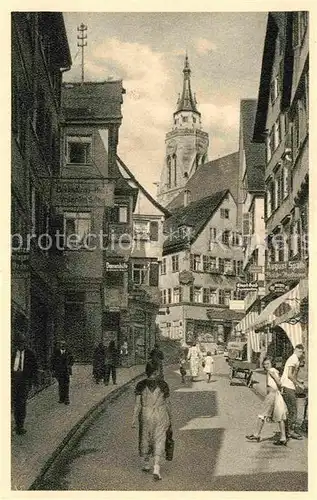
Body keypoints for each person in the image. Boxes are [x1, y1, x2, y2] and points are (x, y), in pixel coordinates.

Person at [132, 361, 172, 481]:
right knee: (159, 438)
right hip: (160, 412)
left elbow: (137, 404)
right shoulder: (163, 384)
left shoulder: (140, 385)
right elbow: (168, 403)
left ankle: (146, 463)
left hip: (145, 413)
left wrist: (133, 418)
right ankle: (156, 467)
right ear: (156, 372)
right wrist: (170, 417)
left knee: (145, 436)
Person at [246, 356, 288, 445]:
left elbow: (279, 383)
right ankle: (283, 437)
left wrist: (277, 387)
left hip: (272, 395)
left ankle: (256, 434)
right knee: (280, 416)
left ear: (271, 363)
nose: (266, 366)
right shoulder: (275, 371)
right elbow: (279, 383)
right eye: (264, 364)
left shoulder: (271, 371)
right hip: (276, 394)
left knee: (262, 414)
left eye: (267, 364)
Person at [11, 334, 38, 435]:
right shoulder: (12, 353)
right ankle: (17, 424)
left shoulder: (30, 354)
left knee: (21, 404)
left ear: (24, 343)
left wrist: (33, 382)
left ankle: (20, 426)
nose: (19, 345)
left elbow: (34, 368)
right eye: (17, 343)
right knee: (15, 403)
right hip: (14, 381)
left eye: (21, 343)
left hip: (24, 381)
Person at [281, 344, 305, 440]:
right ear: (295, 350)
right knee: (293, 410)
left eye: (302, 352)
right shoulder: (293, 359)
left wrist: (298, 382)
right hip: (288, 386)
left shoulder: (295, 360)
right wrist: (298, 384)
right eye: (299, 351)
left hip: (289, 386)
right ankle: (290, 432)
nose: (301, 354)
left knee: (290, 410)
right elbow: (289, 375)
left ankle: (288, 431)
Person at [51, 339, 74, 405]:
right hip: (59, 371)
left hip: (66, 371)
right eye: (61, 345)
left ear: (65, 346)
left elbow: (72, 360)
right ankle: (61, 398)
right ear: (60, 346)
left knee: (66, 385)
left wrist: (69, 365)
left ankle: (67, 399)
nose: (62, 346)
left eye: (64, 345)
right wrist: (53, 370)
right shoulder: (56, 352)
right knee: (61, 384)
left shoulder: (68, 352)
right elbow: (52, 361)